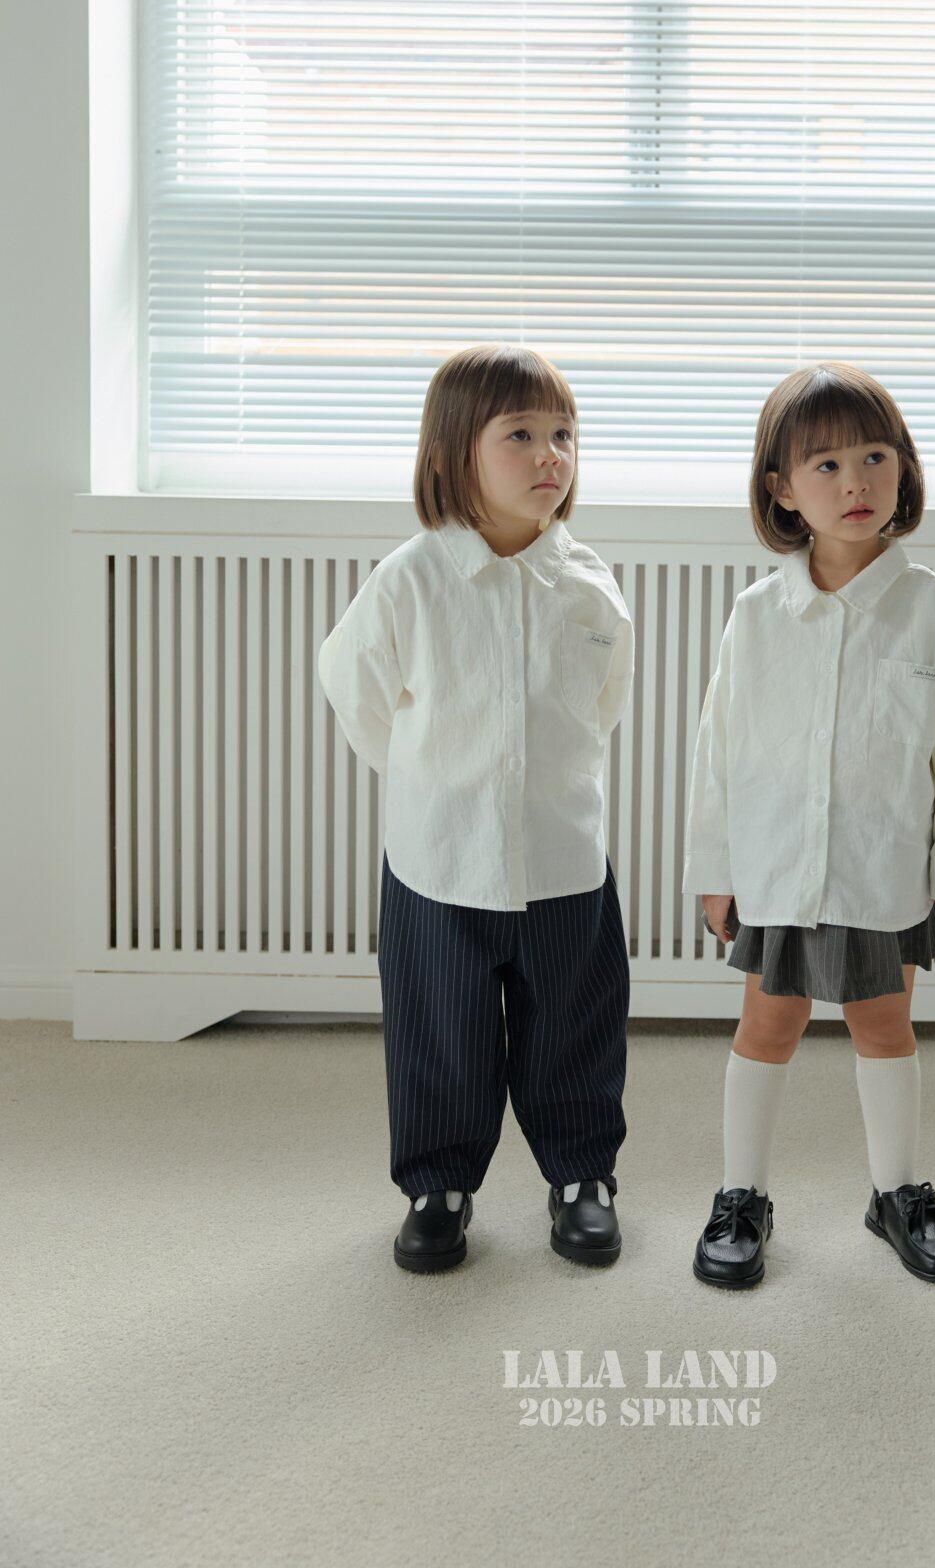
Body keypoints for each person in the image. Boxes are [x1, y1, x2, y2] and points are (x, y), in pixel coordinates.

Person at [317, 343, 634, 1273]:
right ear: (458, 452)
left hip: (560, 855)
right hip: (440, 859)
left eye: (564, 435)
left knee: (573, 1023)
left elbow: (604, 703)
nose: (550, 455)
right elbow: (356, 690)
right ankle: (439, 1186)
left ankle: (582, 1176)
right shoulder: (411, 579)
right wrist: (430, 781)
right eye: (521, 436)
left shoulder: (588, 584)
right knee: (439, 1031)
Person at [683, 361, 935, 1287]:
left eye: (873, 457)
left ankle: (896, 1193)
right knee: (767, 1025)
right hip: (779, 867)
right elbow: (718, 748)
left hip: (882, 866)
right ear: (782, 489)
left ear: (903, 469)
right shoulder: (757, 615)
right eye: (825, 465)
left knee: (884, 1024)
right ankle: (741, 1195)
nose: (854, 481)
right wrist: (715, 865)